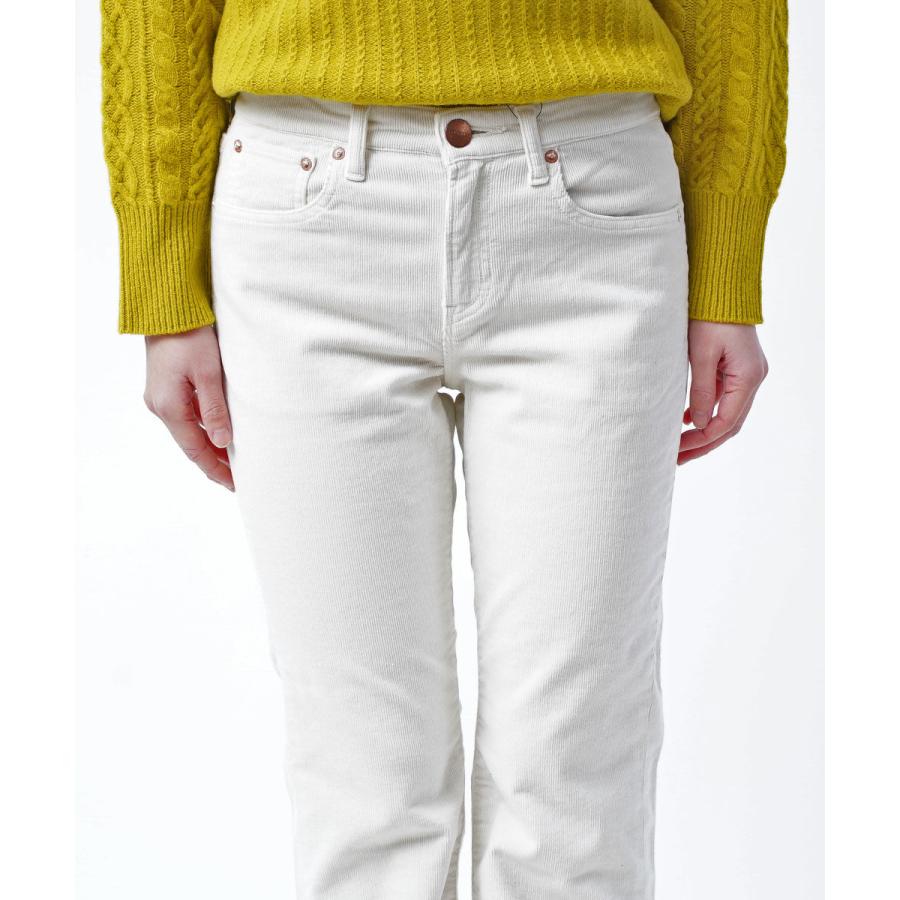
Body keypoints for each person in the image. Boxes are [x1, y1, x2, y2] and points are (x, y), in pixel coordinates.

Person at [100, 2, 787, 897]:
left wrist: (727, 257)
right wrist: (164, 278)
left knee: (572, 762)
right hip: (305, 216)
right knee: (363, 772)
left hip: (593, 206)